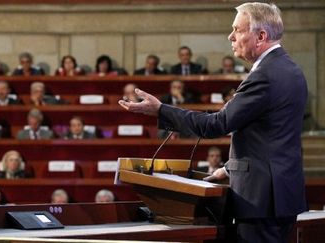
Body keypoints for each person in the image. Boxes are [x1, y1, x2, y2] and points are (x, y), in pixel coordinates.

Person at [119, 3, 307, 242]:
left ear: (261, 36)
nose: (230, 36)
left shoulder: (265, 75)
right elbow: (271, 134)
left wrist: (160, 110)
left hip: (261, 200)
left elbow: (215, 125)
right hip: (281, 194)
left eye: (237, 30)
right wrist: (229, 168)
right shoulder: (291, 69)